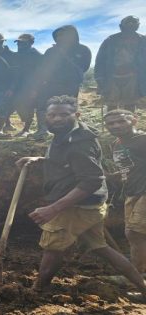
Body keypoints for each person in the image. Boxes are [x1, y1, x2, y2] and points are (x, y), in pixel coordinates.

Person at [16, 95, 146, 298]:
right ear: (45, 117)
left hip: (76, 205)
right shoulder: (65, 135)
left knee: (52, 248)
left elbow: (91, 179)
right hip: (88, 204)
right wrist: (40, 159)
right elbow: (71, 164)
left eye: (63, 114)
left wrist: (53, 208)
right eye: (52, 115)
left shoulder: (79, 143)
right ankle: (143, 287)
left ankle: (37, 291)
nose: (57, 119)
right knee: (100, 247)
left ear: (76, 115)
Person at [104, 110, 146, 273]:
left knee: (134, 233)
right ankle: (137, 274)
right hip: (132, 192)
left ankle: (140, 276)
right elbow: (128, 169)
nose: (116, 126)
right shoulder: (117, 144)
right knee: (134, 235)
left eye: (121, 121)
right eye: (111, 123)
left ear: (134, 121)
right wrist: (108, 176)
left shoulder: (142, 140)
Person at [32, 26, 91, 140]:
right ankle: (43, 130)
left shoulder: (83, 50)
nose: (60, 38)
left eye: (63, 35)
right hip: (49, 84)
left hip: (70, 84)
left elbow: (84, 67)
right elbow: (42, 68)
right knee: (43, 106)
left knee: (68, 108)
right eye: (58, 36)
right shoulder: (51, 51)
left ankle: (69, 129)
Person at [95, 16, 146, 112]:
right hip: (112, 77)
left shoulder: (143, 41)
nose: (130, 27)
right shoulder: (110, 40)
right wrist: (99, 78)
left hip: (133, 77)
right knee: (111, 105)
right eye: (128, 24)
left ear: (137, 26)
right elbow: (100, 60)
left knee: (130, 104)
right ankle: (112, 124)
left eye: (133, 24)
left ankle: (128, 125)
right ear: (121, 26)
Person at [12, 34, 43, 137]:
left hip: (31, 86)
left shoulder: (36, 55)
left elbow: (41, 73)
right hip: (18, 85)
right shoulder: (17, 55)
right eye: (19, 43)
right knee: (18, 105)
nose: (20, 45)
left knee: (30, 107)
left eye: (23, 43)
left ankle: (27, 129)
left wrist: (35, 89)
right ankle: (25, 125)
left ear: (31, 43)